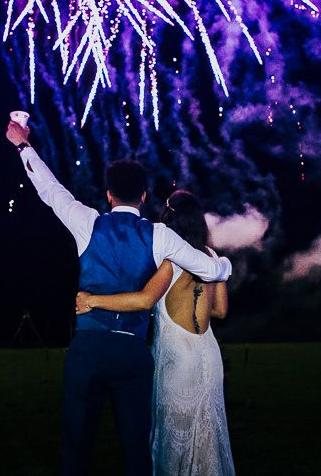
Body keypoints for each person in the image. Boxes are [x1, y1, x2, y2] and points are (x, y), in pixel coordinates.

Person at [5, 121, 232, 476]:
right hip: (132, 353)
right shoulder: (159, 236)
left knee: (76, 449)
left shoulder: (87, 222)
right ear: (144, 196)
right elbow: (212, 269)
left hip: (88, 350)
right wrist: (224, 264)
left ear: (109, 194)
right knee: (136, 452)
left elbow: (48, 188)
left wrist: (23, 146)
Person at [76, 190, 236, 476]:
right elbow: (220, 311)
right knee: (207, 435)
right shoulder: (212, 258)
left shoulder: (170, 260)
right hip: (209, 355)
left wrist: (92, 300)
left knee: (174, 436)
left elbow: (144, 299)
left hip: (177, 357)